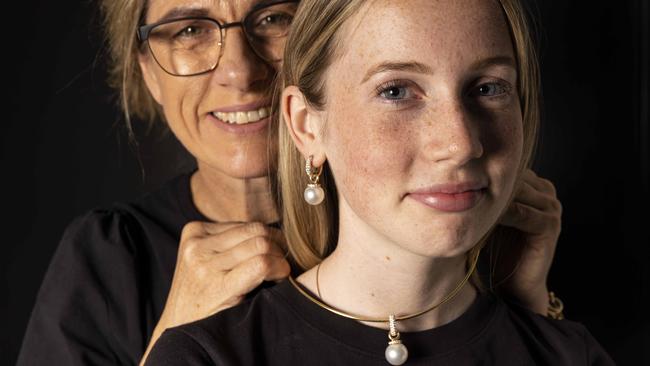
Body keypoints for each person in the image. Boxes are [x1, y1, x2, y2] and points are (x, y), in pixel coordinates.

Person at [19, 0, 565, 365]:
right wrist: (174, 340)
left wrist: (529, 309)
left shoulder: (444, 212)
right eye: (188, 30)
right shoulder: (111, 256)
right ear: (146, 72)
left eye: (273, 18)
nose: (240, 69)